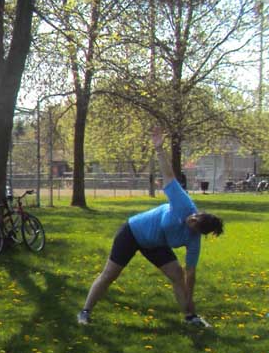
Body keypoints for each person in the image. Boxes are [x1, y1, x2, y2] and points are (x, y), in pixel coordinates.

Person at [78, 127, 223, 327]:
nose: (191, 219)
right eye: (195, 217)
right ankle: (84, 312)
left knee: (178, 275)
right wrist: (159, 149)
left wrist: (190, 300)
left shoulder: (193, 239)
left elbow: (191, 273)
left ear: (198, 231)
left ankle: (191, 317)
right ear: (199, 214)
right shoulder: (184, 203)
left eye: (194, 224)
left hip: (156, 244)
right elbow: (169, 176)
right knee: (110, 274)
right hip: (133, 232)